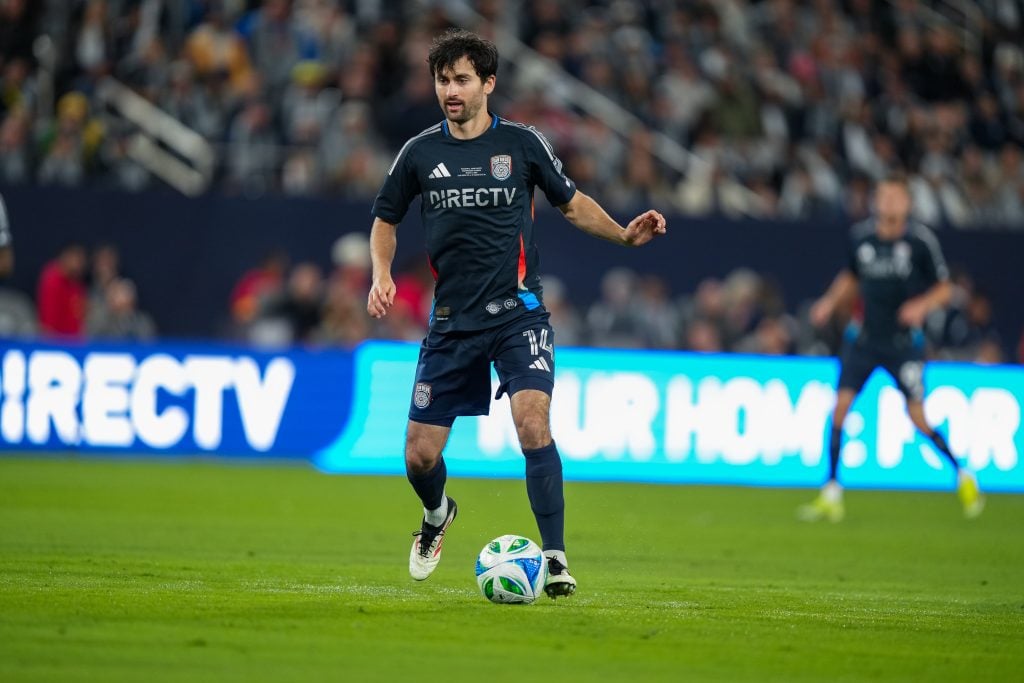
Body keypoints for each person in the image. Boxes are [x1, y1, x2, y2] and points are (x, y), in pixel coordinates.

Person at [366, 29, 667, 598]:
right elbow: (386, 219)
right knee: (418, 456)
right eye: (441, 80)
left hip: (518, 315)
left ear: (488, 83)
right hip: (453, 321)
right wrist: (381, 273)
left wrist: (625, 237)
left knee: (533, 424)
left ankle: (555, 559)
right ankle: (436, 517)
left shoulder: (524, 145)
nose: (449, 90)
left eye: (460, 79)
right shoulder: (419, 153)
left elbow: (572, 204)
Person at [800, 174, 983, 522]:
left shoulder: (920, 242)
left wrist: (921, 306)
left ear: (907, 203)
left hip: (902, 344)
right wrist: (828, 302)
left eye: (895, 197)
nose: (887, 203)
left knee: (918, 419)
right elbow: (851, 277)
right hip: (864, 340)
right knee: (839, 409)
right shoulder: (862, 238)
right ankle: (832, 492)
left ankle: (962, 473)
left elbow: (945, 289)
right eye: (882, 197)